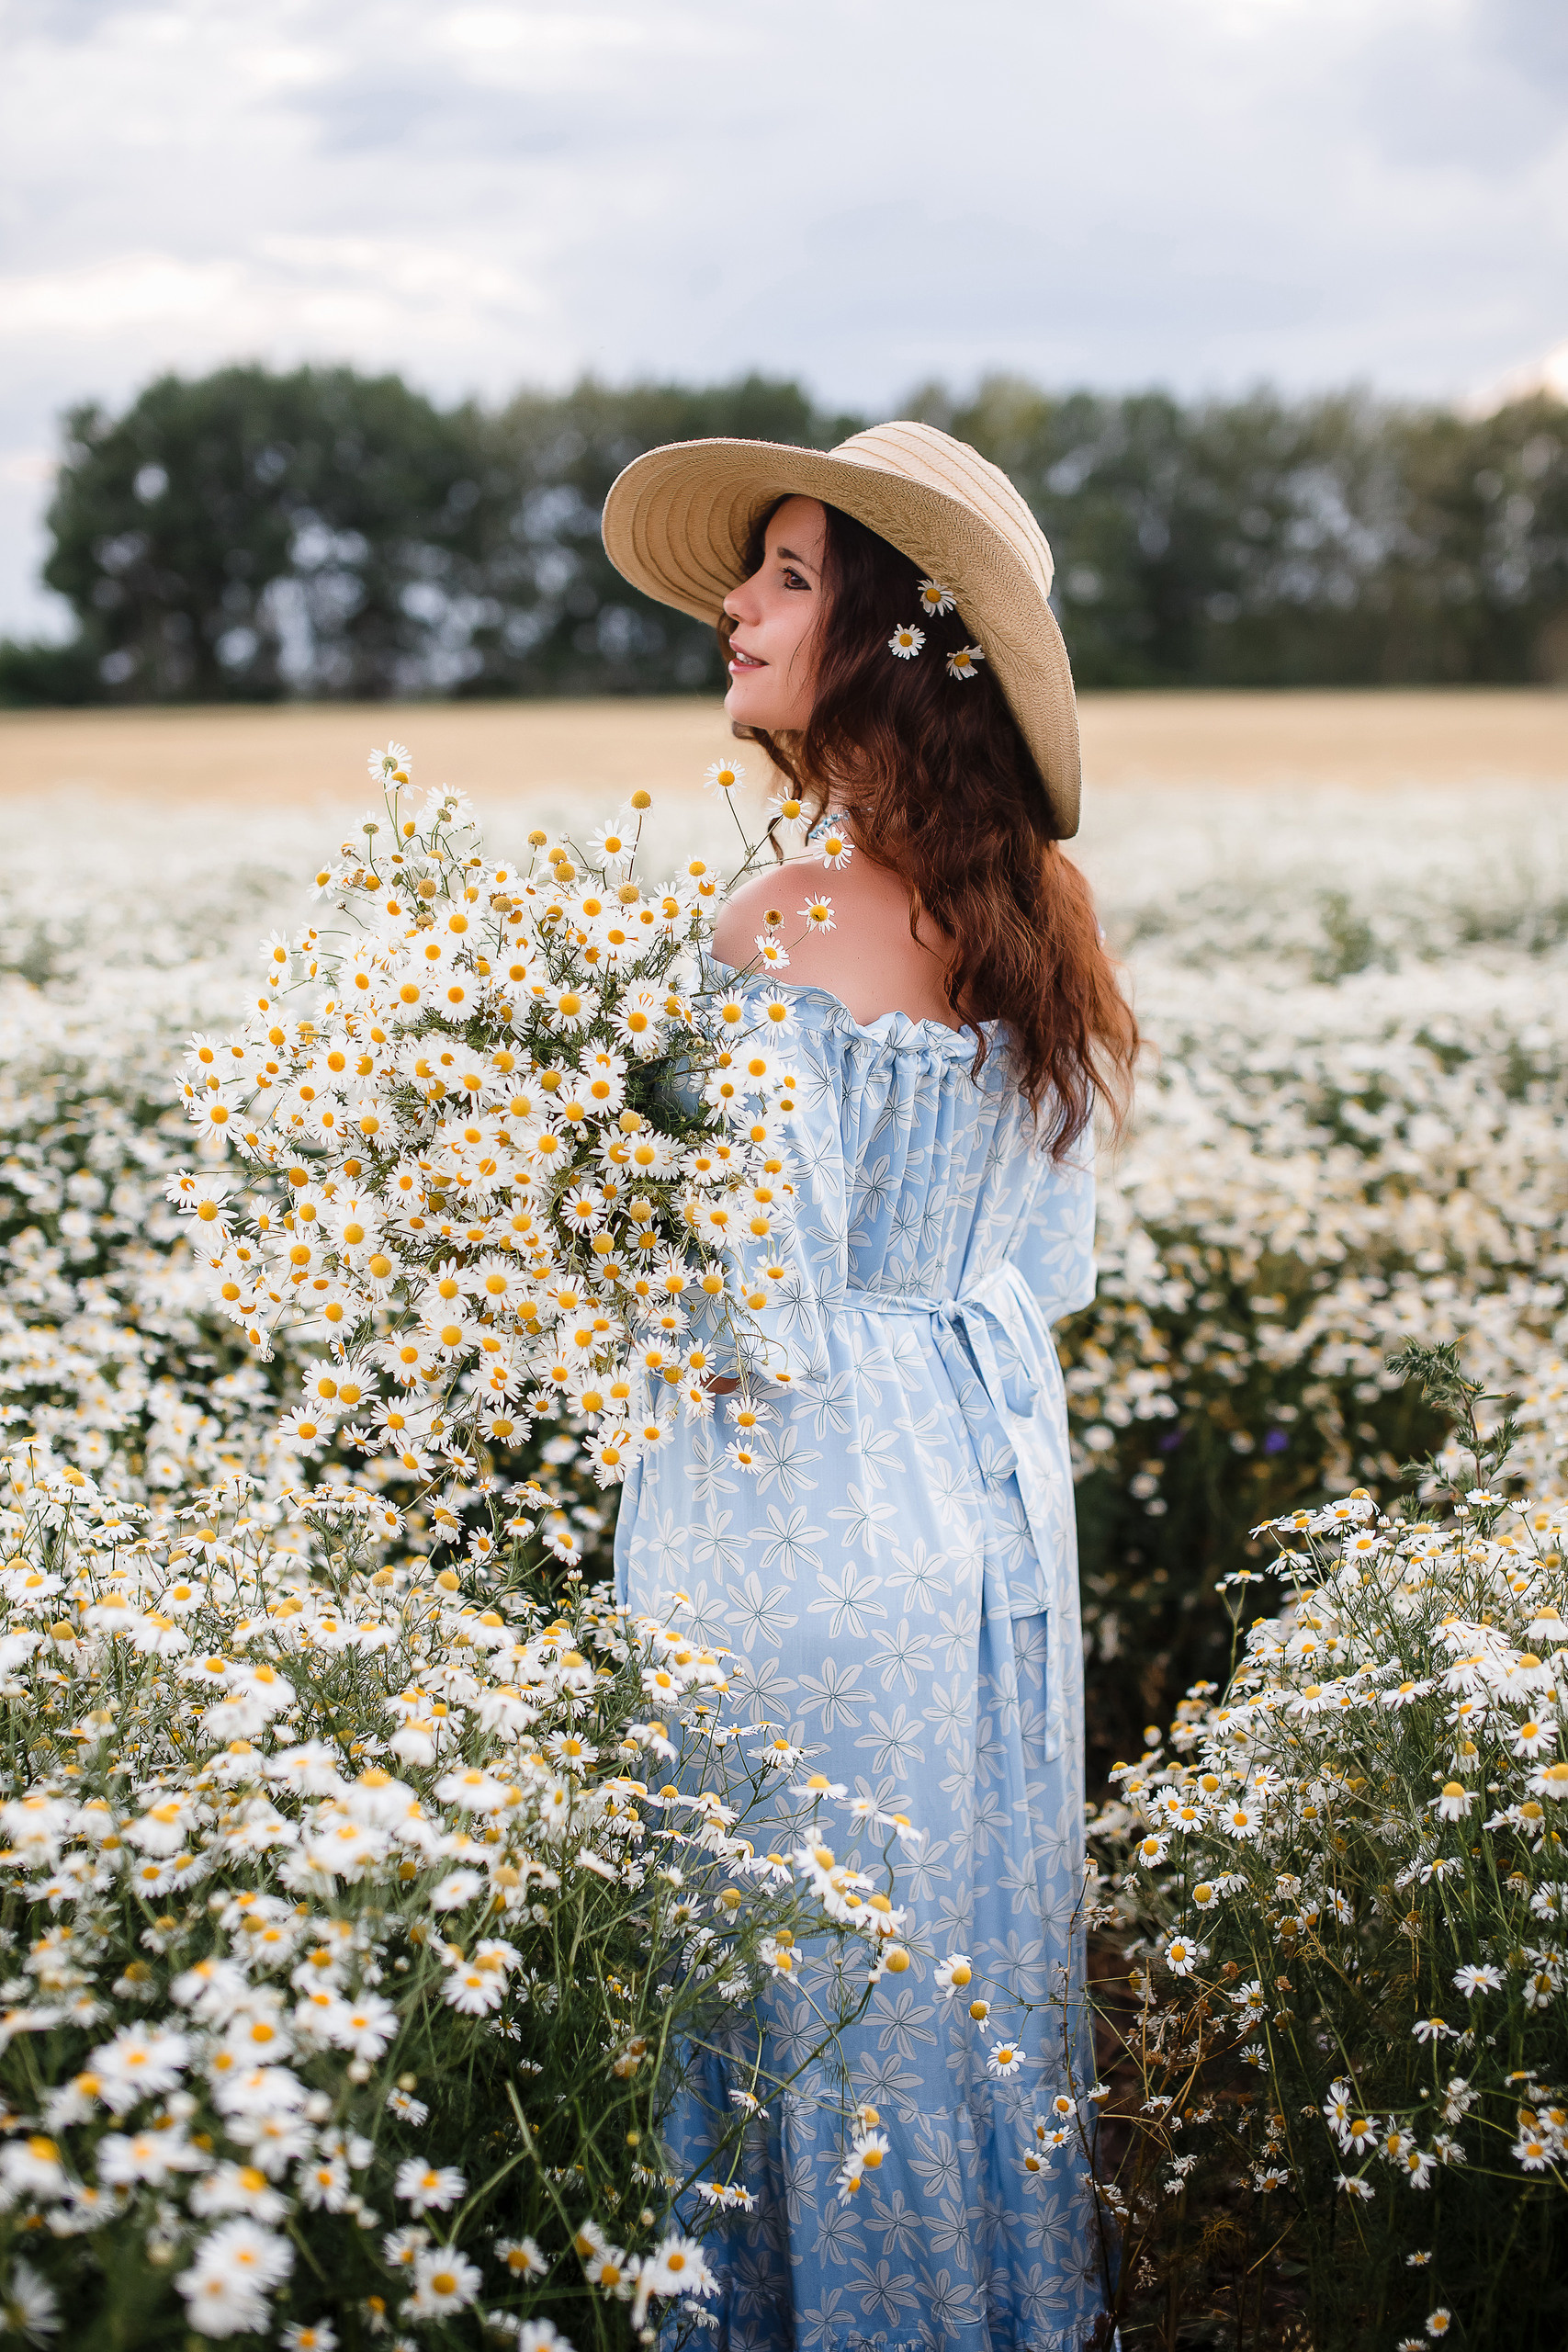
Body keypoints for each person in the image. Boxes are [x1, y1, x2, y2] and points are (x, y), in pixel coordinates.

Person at [601, 423, 1137, 2351]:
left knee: (782, 1972)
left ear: (895, 641)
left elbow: (746, 1298)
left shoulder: (778, 929)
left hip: (794, 1495)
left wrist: (564, 1193)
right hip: (981, 1491)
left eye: (790, 574)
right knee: (954, 1955)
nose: (737, 603)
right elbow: (1046, 1262)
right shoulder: (1044, 917)